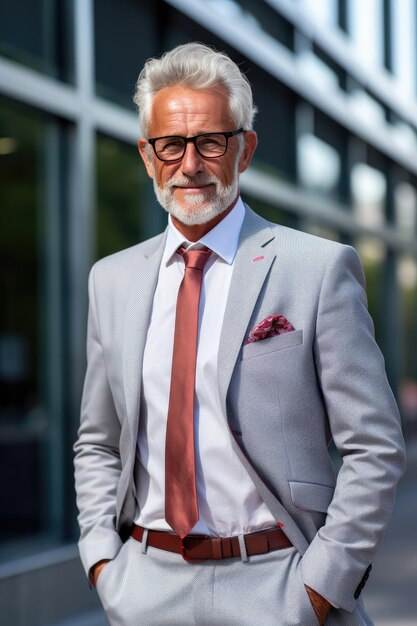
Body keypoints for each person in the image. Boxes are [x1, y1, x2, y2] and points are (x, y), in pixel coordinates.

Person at [74, 43, 405, 626]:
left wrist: (322, 587)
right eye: (170, 145)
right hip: (146, 588)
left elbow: (374, 445)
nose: (190, 164)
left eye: (210, 141)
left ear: (244, 149)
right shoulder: (112, 279)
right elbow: (98, 442)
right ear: (148, 157)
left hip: (278, 586)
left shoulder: (316, 269)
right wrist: (103, 561)